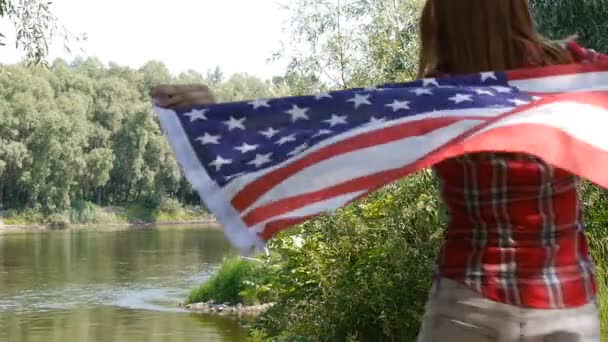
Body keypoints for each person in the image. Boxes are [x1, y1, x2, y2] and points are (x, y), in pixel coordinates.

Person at [151, 1, 607, 340]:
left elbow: (328, 125)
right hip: (564, 302)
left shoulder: (434, 97)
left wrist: (218, 116)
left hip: (469, 299)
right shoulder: (572, 73)